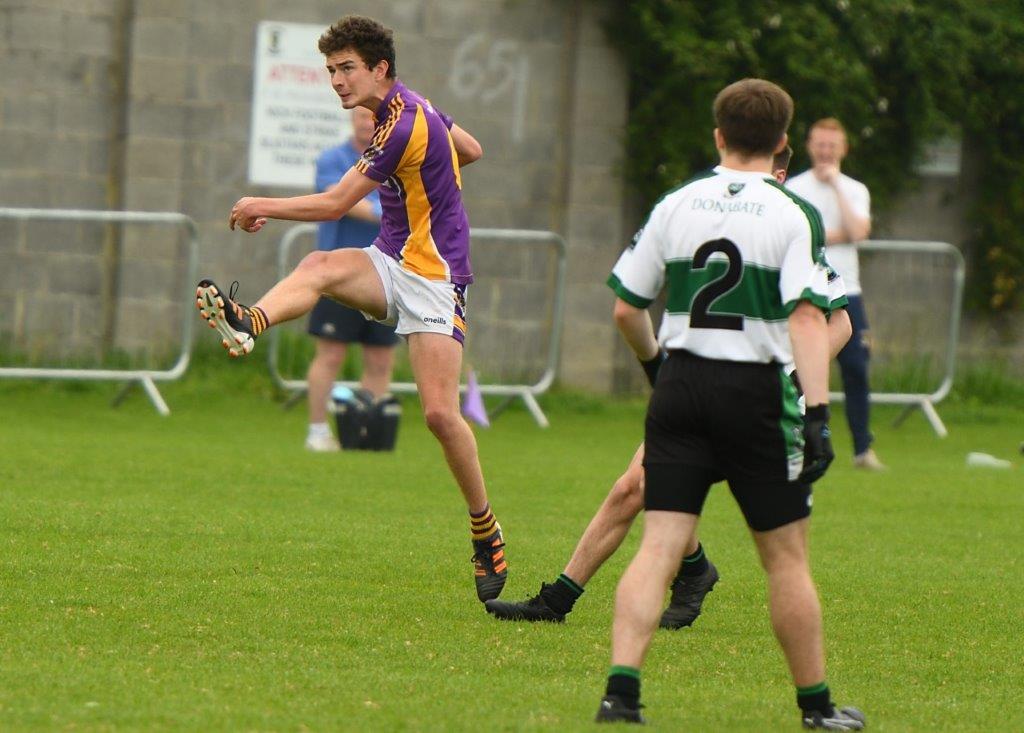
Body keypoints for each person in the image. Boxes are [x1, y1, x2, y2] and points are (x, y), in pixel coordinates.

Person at [193, 15, 508, 603]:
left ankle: (485, 530)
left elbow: (339, 200)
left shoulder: (400, 125)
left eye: (346, 69)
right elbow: (473, 149)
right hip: (391, 260)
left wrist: (261, 202)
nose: (336, 81)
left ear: (379, 69)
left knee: (441, 417)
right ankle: (248, 321)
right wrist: (439, 153)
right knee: (316, 269)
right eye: (331, 71)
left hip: (438, 278)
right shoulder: (411, 110)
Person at [484, 147, 852, 631]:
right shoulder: (703, 210)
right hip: (700, 388)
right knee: (636, 487)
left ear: (778, 173)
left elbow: (838, 321)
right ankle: (563, 600)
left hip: (763, 400)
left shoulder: (791, 226)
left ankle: (795, 680)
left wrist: (798, 386)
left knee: (770, 541)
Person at [594, 79, 864, 730]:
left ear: (718, 136)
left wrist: (659, 366)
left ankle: (621, 695)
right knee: (785, 557)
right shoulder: (792, 212)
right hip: (757, 393)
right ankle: (816, 707)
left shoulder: (677, 203)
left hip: (683, 382)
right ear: (782, 144)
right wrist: (821, 415)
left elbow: (627, 307)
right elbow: (809, 317)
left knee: (659, 546)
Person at [787, 119, 885, 471]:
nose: (825, 152)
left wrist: (835, 188)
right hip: (804, 291)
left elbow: (858, 230)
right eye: (820, 144)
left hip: (848, 291)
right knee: (797, 365)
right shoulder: (795, 186)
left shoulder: (855, 189)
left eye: (832, 145)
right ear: (810, 145)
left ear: (843, 149)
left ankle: (862, 449)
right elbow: (795, 236)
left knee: (856, 368)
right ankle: (797, 437)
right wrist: (834, 234)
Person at [304, 107, 399, 452]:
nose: (365, 124)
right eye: (360, 118)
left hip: (385, 273)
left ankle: (368, 432)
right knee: (330, 354)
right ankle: (317, 431)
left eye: (372, 119)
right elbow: (339, 202)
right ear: (351, 120)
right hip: (340, 274)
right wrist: (382, 212)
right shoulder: (333, 159)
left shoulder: (393, 160)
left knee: (380, 359)